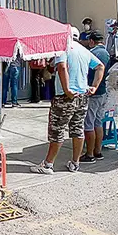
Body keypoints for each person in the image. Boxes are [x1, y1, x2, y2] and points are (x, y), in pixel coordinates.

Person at [31, 33, 105, 174]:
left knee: (57, 130)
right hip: (82, 96)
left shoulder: (63, 49)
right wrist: (94, 86)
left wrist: (67, 90)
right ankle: (75, 163)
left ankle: (48, 164)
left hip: (65, 97)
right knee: (78, 129)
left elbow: (62, 67)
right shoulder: (84, 50)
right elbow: (100, 66)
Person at [82, 31, 113, 163]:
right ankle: (98, 151)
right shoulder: (106, 53)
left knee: (88, 123)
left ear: (91, 41)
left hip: (93, 91)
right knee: (98, 122)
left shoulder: (92, 53)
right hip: (103, 91)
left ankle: (89, 154)